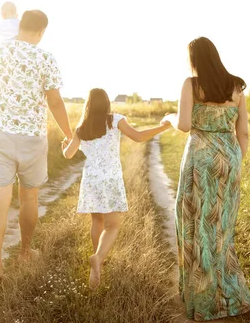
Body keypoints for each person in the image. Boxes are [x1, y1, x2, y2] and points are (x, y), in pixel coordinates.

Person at [164, 37, 250, 320]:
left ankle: (201, 299)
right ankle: (229, 298)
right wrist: (235, 162)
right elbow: (244, 133)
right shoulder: (236, 86)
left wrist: (169, 117)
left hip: (200, 160)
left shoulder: (191, 84)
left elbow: (184, 125)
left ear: (194, 59)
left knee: (194, 224)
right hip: (229, 159)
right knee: (222, 231)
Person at [0, 10, 74, 281]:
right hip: (32, 138)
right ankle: (24, 251)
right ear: (41, 32)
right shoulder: (45, 58)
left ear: (20, 26)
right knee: (29, 197)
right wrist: (69, 134)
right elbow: (55, 103)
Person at [62, 88, 172, 289]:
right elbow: (138, 137)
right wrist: (163, 127)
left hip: (92, 179)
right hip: (111, 179)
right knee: (112, 225)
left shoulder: (81, 127)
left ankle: (98, 261)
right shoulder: (114, 120)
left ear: (88, 104)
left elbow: (69, 154)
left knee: (97, 220)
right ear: (106, 103)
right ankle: (98, 258)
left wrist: (64, 147)